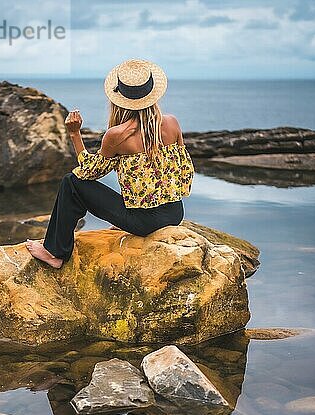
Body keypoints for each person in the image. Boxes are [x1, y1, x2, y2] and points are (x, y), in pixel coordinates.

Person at [25, 58, 195, 269]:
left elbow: (88, 173)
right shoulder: (172, 122)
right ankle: (127, 217)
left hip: (145, 223)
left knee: (71, 183)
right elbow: (182, 171)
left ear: (119, 98)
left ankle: (55, 253)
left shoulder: (117, 135)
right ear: (152, 95)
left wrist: (75, 134)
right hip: (175, 213)